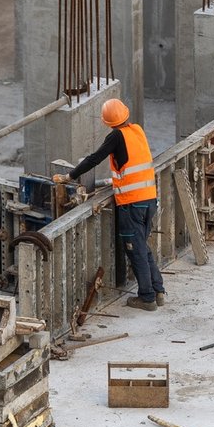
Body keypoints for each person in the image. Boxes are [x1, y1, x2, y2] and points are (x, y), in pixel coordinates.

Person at [59, 99, 165, 311]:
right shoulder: (137, 131)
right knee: (143, 247)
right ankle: (158, 291)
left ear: (106, 121)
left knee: (135, 250)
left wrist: (69, 176)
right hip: (149, 199)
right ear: (126, 113)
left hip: (132, 204)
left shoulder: (116, 136)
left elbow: (94, 158)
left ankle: (147, 298)